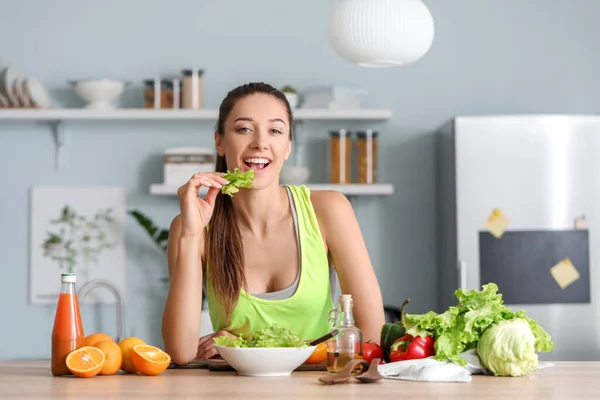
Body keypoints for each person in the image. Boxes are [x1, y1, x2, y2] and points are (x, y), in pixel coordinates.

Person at [162, 82, 385, 365]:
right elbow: (180, 352)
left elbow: (372, 334)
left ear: (288, 146)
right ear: (219, 141)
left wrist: (253, 347)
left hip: (319, 387)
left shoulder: (329, 210)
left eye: (275, 131)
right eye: (244, 129)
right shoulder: (189, 227)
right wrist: (192, 235)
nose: (260, 142)